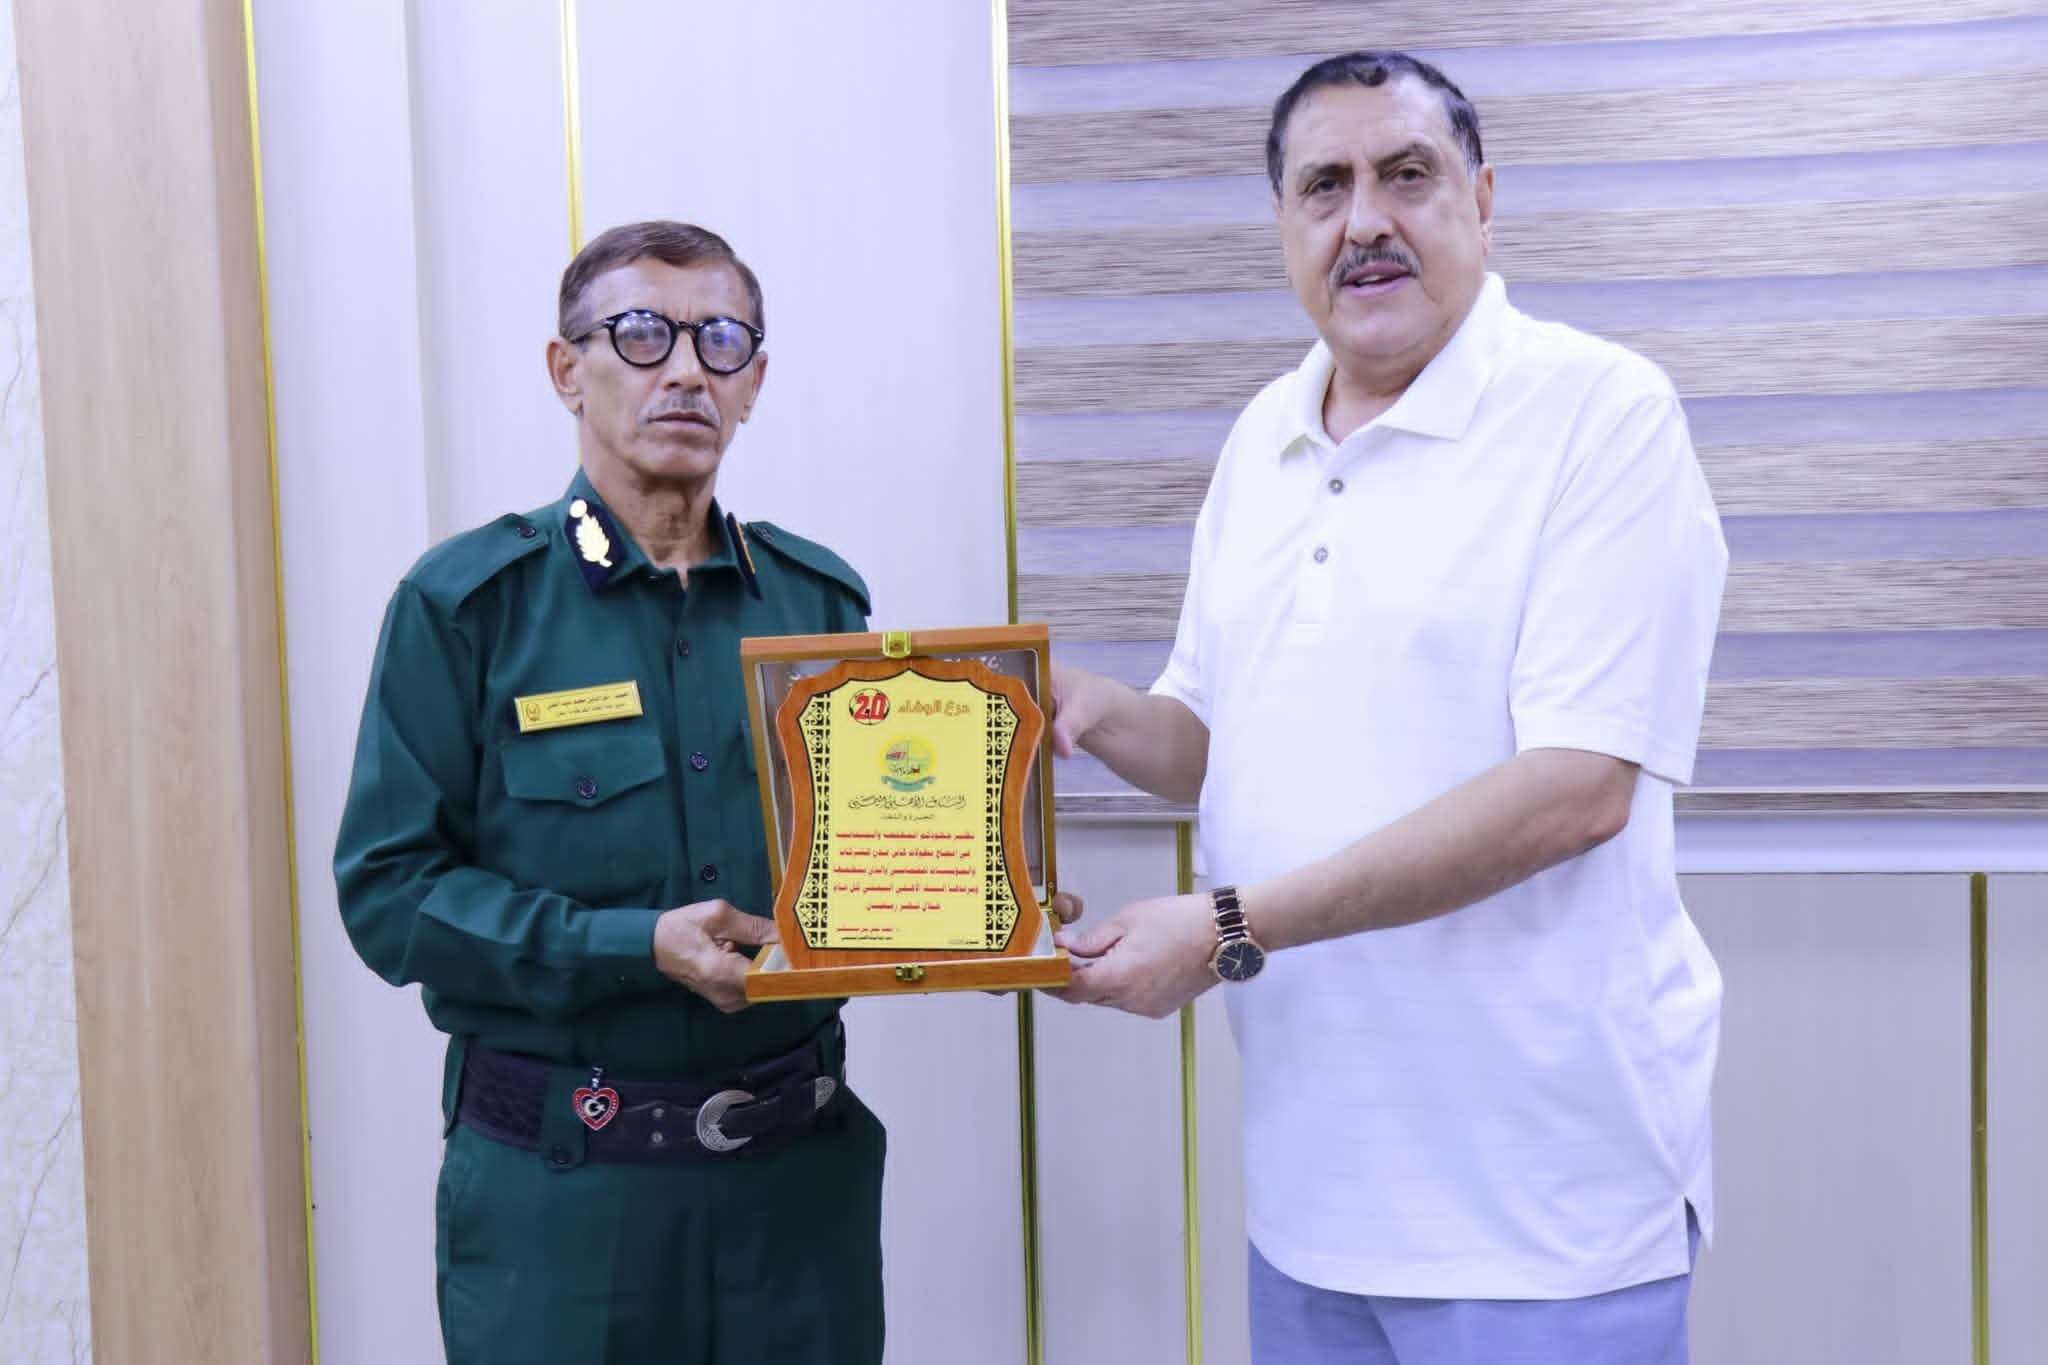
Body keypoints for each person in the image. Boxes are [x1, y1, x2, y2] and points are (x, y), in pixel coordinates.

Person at [1050, 52, 1729, 1365]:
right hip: (1310, 1201)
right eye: (1324, 187)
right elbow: (1215, 741)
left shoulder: (1600, 413)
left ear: (1482, 199)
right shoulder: (1262, 435)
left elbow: (1577, 790)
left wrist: (1229, 927)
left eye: (1405, 175)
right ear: (1283, 225)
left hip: (1541, 1217)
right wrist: (1087, 708)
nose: (1363, 219)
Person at [334, 220, 886, 1364]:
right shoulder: (468, 606)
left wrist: (987, 909)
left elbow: (870, 865)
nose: (683, 369)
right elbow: (390, 898)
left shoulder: (819, 608)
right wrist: (633, 945)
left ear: (753, 382)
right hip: (566, 1203)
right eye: (640, 335)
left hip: (796, 1198)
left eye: (720, 340)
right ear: (565, 370)